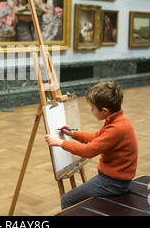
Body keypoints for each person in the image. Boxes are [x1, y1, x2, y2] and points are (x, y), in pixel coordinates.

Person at [45, 81, 138, 210]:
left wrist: (61, 143)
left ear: (104, 111)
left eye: (93, 108)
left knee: (67, 199)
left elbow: (88, 151)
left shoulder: (116, 128)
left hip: (114, 183)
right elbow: (94, 138)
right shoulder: (117, 120)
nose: (91, 110)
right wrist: (72, 134)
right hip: (115, 180)